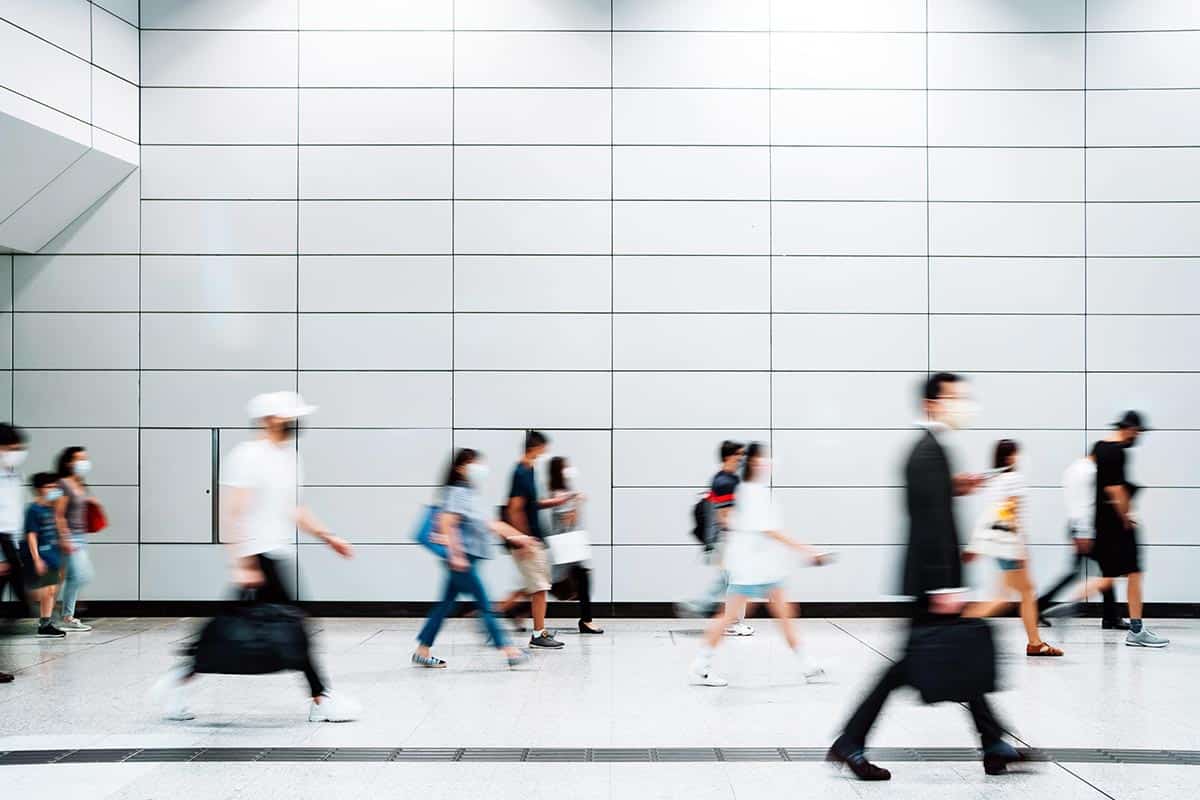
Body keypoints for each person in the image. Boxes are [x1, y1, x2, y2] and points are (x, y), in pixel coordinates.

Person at [828, 373, 1021, 781]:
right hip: (935, 581)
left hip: (933, 579)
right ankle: (852, 740)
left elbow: (931, 504)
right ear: (932, 403)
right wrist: (944, 585)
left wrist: (956, 487)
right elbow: (929, 522)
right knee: (916, 663)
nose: (962, 405)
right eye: (955, 398)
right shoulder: (929, 452)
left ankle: (993, 744)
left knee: (943, 655)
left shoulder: (930, 451)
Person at [155, 391, 360, 722]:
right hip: (257, 554)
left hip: (275, 552)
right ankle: (321, 699)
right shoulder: (247, 455)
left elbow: (295, 508)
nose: (297, 422)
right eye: (290, 416)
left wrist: (327, 536)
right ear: (271, 419)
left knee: (229, 627)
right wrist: (242, 562)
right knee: (294, 625)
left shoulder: (290, 457)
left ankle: (179, 681)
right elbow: (232, 511)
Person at [688, 442, 827, 687]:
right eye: (764, 458)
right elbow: (769, 530)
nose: (768, 462)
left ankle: (807, 663)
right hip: (751, 567)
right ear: (755, 462)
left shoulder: (751, 490)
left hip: (760, 565)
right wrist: (808, 551)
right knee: (731, 615)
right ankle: (700, 665)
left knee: (783, 613)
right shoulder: (749, 491)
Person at [1045, 412, 1167, 648]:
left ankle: (1068, 608)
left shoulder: (1099, 447)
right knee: (1134, 573)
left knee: (1111, 576)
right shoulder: (1117, 451)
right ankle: (1137, 630)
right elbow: (1115, 490)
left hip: (1099, 523)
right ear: (1130, 429)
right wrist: (1127, 517)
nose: (1138, 437)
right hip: (1115, 524)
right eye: (1138, 432)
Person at [413, 448, 531, 668]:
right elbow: (448, 523)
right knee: (485, 604)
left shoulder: (471, 494)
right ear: (460, 468)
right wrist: (456, 555)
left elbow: (492, 524)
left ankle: (422, 649)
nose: (480, 468)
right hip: (462, 560)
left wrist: (520, 537)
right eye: (474, 464)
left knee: (445, 605)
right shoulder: (457, 491)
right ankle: (509, 650)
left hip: (468, 559)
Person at [964, 440, 1063, 657]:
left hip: (999, 545)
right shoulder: (1014, 479)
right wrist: (1020, 548)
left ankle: (1035, 642)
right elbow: (1011, 513)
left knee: (1013, 593)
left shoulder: (995, 481)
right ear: (1010, 457)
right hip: (1010, 544)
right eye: (1017, 454)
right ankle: (956, 630)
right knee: (1013, 596)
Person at [499, 431, 571, 650]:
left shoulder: (529, 470)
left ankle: (496, 619)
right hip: (527, 539)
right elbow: (515, 508)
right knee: (539, 587)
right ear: (535, 447)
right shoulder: (520, 471)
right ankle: (538, 634)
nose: (545, 452)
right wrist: (521, 538)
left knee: (536, 586)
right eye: (543, 448)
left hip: (533, 537)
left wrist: (554, 501)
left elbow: (533, 504)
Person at [1036, 450, 1123, 629]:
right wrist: (1084, 532)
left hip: (1077, 525)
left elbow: (1073, 502)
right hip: (1086, 528)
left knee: (1102, 570)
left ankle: (1111, 617)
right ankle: (1039, 605)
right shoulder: (1089, 472)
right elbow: (1085, 503)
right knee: (1106, 570)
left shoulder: (1073, 469)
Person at [677, 440, 755, 636]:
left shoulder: (726, 479)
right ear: (729, 456)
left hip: (727, 539)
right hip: (728, 539)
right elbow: (724, 516)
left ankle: (715, 612)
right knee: (736, 582)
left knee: (732, 581)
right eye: (739, 455)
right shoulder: (725, 482)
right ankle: (705, 608)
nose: (742, 459)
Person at [547, 456, 602, 634]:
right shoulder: (558, 493)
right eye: (566, 466)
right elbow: (569, 520)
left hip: (570, 545)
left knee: (558, 583)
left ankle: (515, 610)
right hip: (568, 545)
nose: (570, 469)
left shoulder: (563, 490)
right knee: (578, 581)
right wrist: (577, 502)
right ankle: (586, 621)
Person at [53, 447, 98, 631]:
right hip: (69, 536)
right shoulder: (63, 484)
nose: (84, 462)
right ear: (68, 463)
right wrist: (64, 537)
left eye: (85, 458)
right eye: (79, 459)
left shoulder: (80, 483)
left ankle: (64, 615)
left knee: (75, 576)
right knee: (79, 575)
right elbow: (58, 514)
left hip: (81, 535)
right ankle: (62, 615)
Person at [23, 473, 67, 638]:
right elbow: (31, 535)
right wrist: (36, 558)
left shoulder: (53, 509)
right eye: (49, 487)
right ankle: (44, 623)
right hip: (42, 555)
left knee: (51, 591)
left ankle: (45, 623)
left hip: (54, 554)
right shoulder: (33, 510)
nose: (54, 489)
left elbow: (58, 529)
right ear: (39, 489)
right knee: (47, 591)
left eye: (55, 486)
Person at [0, 424, 30, 621]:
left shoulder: (13, 475)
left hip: (12, 542)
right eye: (11, 449)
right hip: (2, 542)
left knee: (23, 600)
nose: (16, 454)